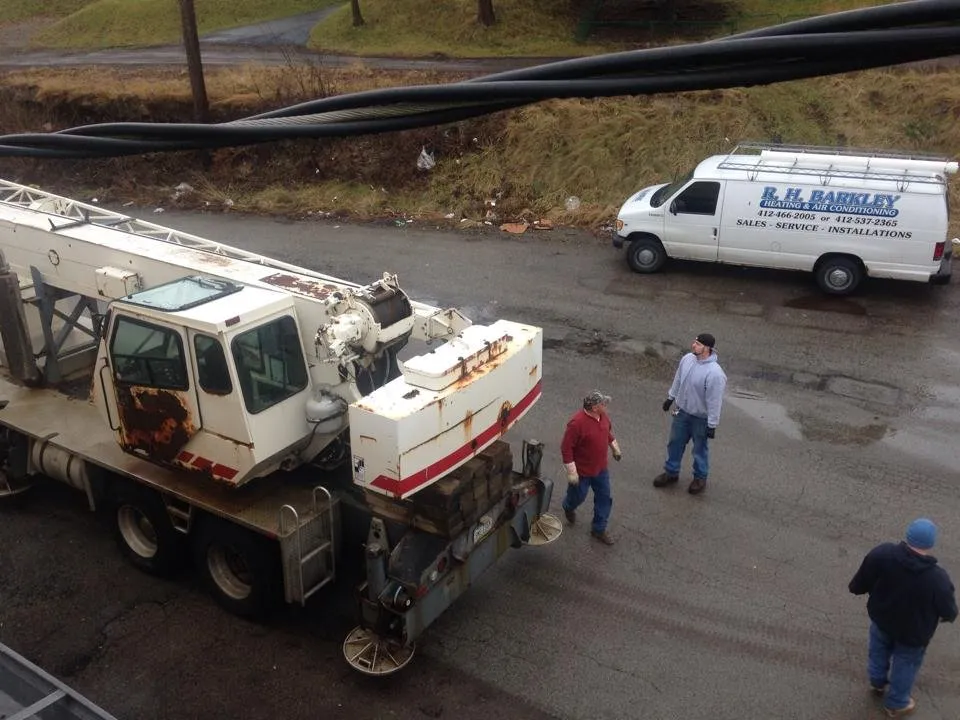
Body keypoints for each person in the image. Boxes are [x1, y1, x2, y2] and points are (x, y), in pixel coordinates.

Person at [849, 518, 957, 717]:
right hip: (913, 633)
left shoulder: (882, 554)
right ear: (930, 544)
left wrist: (856, 588)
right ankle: (897, 702)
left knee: (878, 650)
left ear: (908, 536)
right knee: (905, 664)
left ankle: (877, 681)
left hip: (882, 619)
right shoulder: (937, 579)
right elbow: (947, 608)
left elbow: (863, 577)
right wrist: (949, 616)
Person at [653, 333, 727, 495]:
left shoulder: (715, 373)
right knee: (675, 443)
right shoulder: (687, 359)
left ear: (708, 349)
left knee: (699, 449)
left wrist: (712, 424)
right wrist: (670, 397)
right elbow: (679, 379)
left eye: (698, 344)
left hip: (700, 418)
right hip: (682, 412)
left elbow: (715, 401)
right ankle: (671, 472)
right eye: (694, 342)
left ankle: (700, 477)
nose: (694, 346)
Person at [560, 390, 622, 546]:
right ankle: (568, 506)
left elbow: (607, 432)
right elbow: (566, 448)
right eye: (603, 404)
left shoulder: (603, 417)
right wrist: (572, 472)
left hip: (601, 470)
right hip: (582, 472)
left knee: (604, 498)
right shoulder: (577, 424)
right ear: (594, 407)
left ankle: (599, 529)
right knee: (578, 496)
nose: (606, 406)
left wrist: (615, 447)